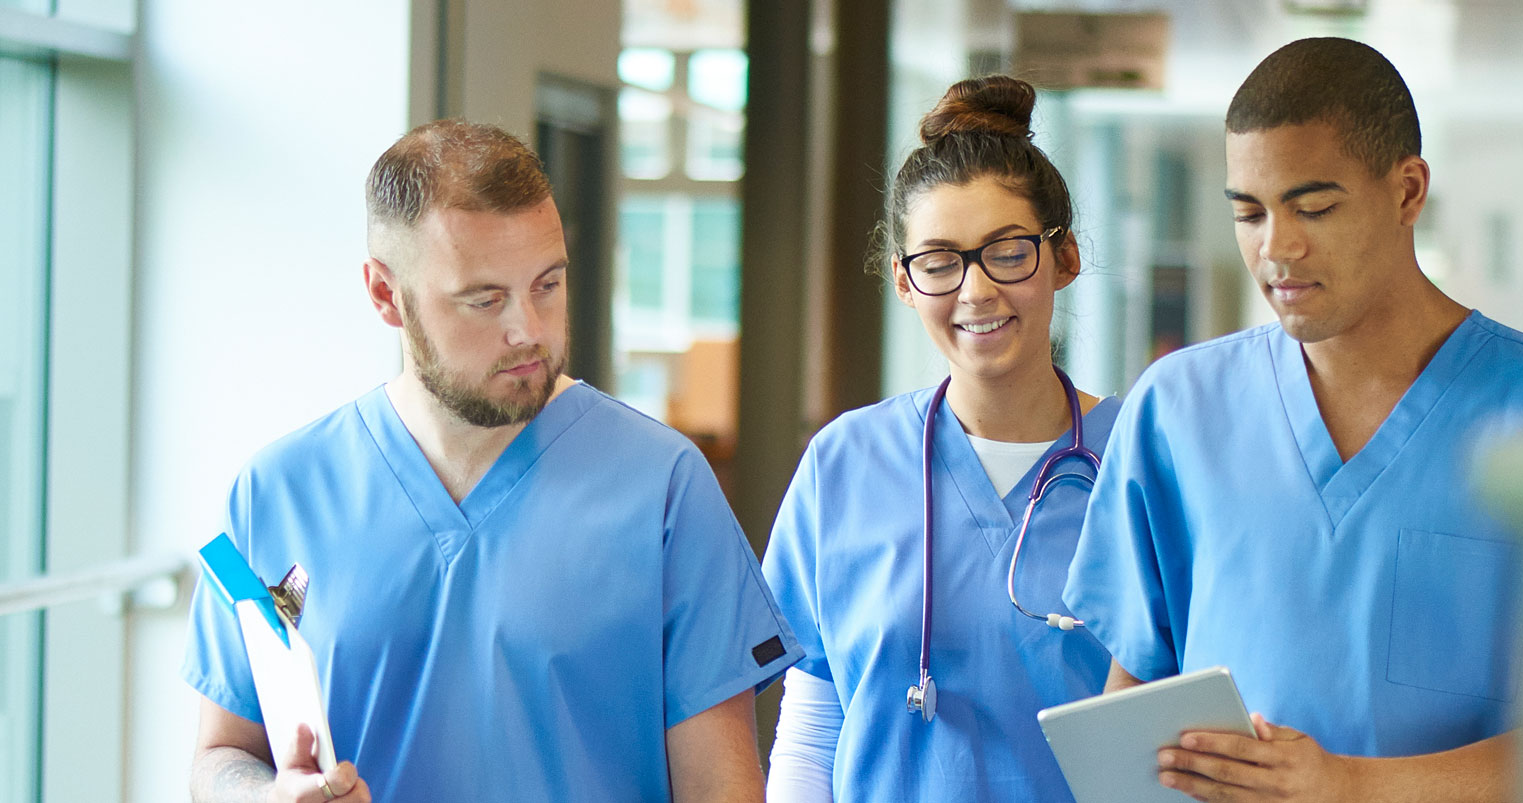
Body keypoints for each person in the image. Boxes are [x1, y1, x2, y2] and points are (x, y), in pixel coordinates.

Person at [1064, 37, 1523, 803]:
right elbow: (1133, 708)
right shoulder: (1176, 408)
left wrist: (1348, 785)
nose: (1276, 247)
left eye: (1313, 206)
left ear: (1407, 192)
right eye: (1248, 212)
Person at [181, 119, 800, 802]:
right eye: (485, 300)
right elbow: (222, 753)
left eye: (547, 285)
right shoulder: (279, 489)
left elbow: (723, 787)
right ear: (386, 294)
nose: (528, 330)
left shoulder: (663, 488)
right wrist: (263, 795)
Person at [760, 75, 1121, 802]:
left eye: (1007, 251)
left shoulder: (1136, 462)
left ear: (1065, 257)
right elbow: (815, 713)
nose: (975, 289)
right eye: (939, 261)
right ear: (903, 280)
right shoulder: (844, 465)